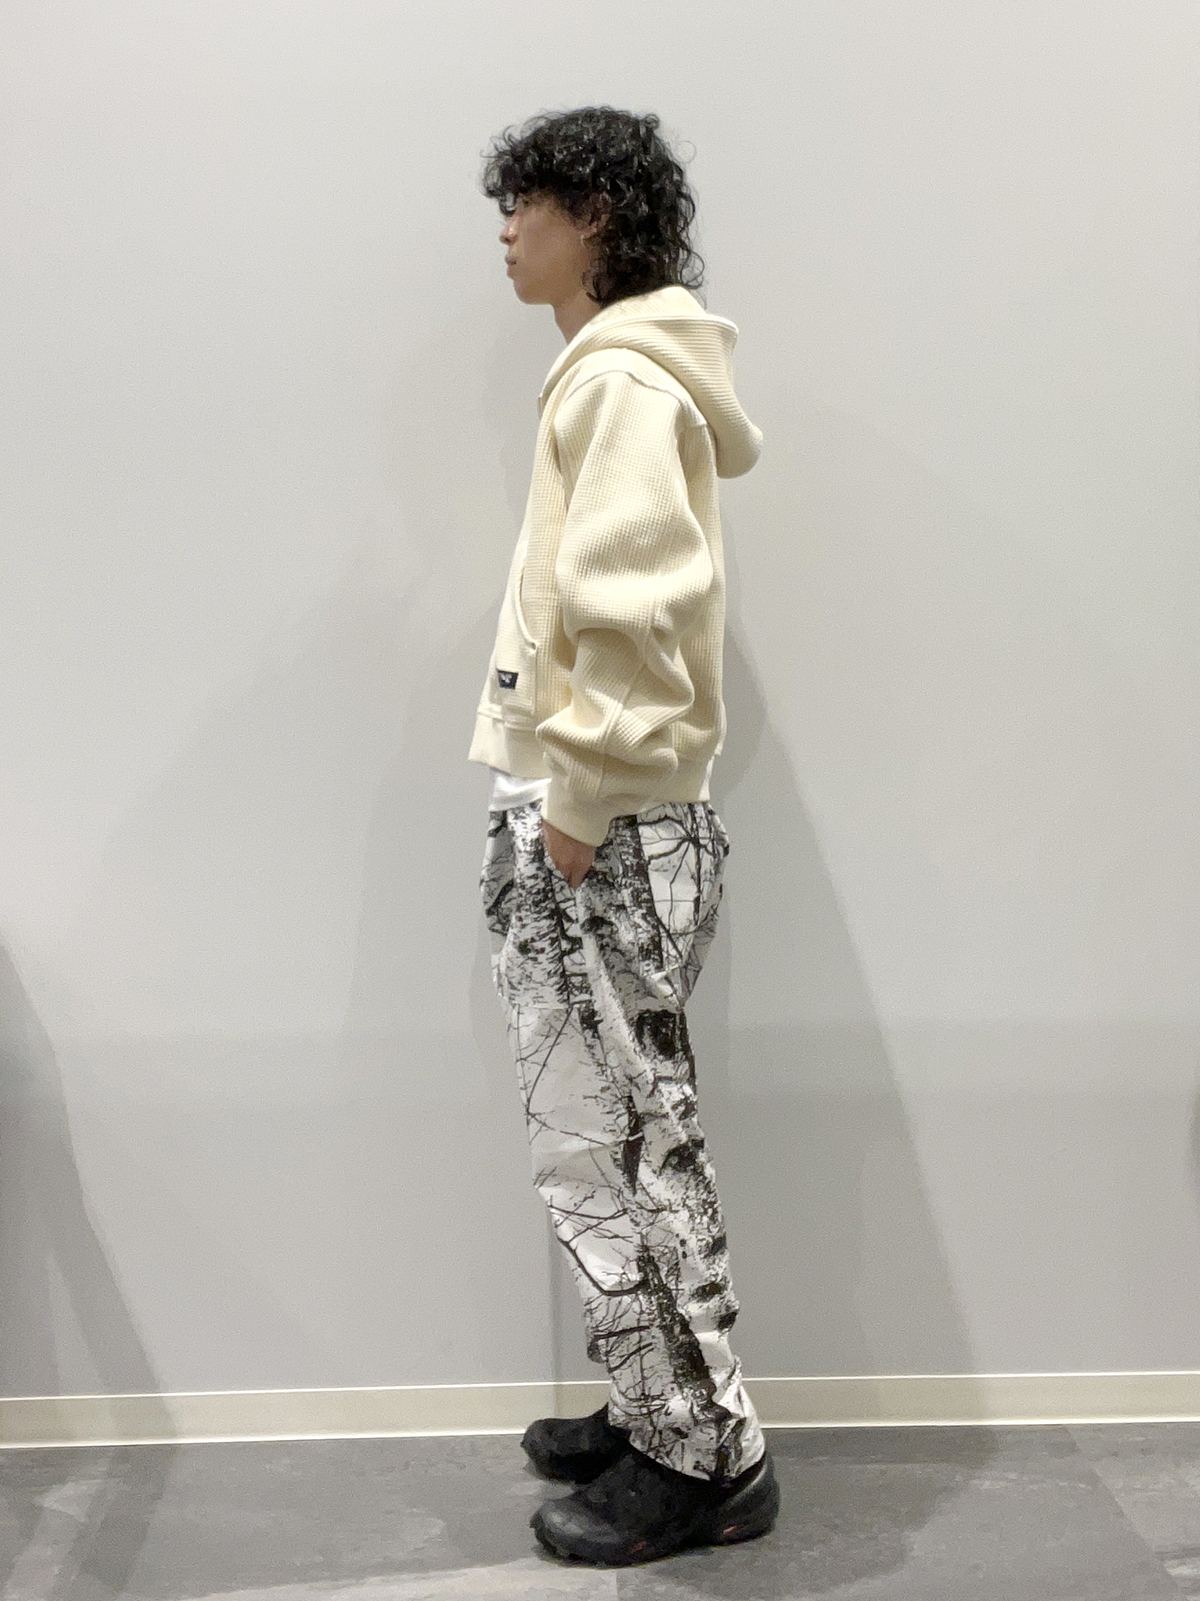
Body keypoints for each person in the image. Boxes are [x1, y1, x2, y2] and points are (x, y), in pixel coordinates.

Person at [471, 105, 779, 1567]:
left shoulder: (620, 382)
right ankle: (658, 1399)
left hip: (611, 817)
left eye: (525, 203)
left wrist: (577, 807)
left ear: (594, 215)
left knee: (633, 1143)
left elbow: (637, 615)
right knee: (602, 1137)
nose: (505, 229)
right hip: (606, 810)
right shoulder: (615, 372)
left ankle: (710, 1460)